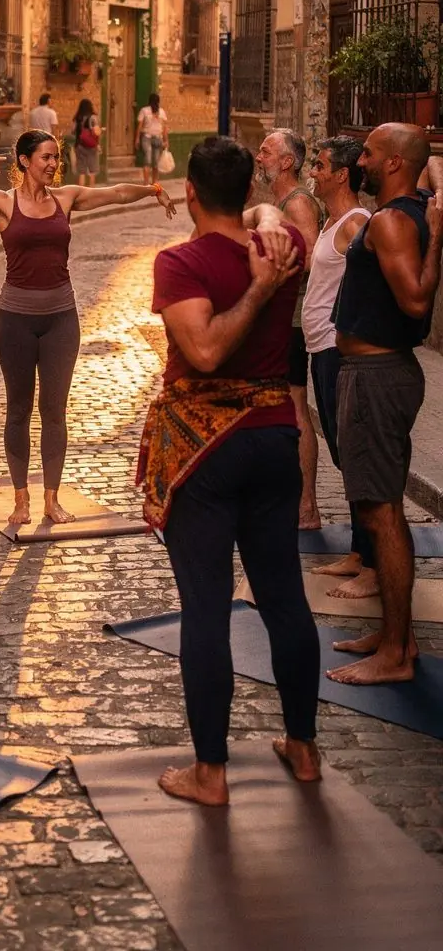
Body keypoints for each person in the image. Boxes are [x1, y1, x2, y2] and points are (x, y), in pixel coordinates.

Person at [138, 136, 320, 806]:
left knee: (207, 612)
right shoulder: (282, 246)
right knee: (283, 599)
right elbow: (284, 223)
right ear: (249, 191)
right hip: (272, 438)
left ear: (189, 192)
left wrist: (254, 292)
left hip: (205, 455)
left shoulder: (181, 262)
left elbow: (207, 350)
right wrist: (268, 238)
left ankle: (211, 773)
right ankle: (302, 747)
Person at [0, 132, 175, 528]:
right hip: (14, 321)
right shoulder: (1, 202)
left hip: (62, 319)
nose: (52, 164)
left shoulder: (66, 198)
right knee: (18, 409)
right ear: (25, 160)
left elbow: (115, 193)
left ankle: (51, 499)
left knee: (54, 411)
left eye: (56, 158)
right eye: (45, 157)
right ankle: (20, 499)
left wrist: (152, 188)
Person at [327, 124, 442, 687]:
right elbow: (431, 170)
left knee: (382, 513)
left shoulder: (395, 220)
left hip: (376, 377)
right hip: (372, 373)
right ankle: (397, 634)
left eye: (369, 153)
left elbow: (416, 299)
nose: (361, 161)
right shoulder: (409, 206)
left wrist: (438, 235)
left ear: (394, 163)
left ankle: (395, 652)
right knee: (383, 509)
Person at [302, 137, 376, 596]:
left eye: (321, 165)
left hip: (338, 351)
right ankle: (357, 551)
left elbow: (374, 286)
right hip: (320, 350)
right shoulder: (331, 222)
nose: (314, 171)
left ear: (342, 174)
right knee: (341, 455)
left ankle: (372, 565)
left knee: (356, 455)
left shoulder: (357, 223)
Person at [249, 128, 323, 529]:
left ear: (286, 162)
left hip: (293, 319)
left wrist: (268, 273)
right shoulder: (280, 201)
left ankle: (307, 506)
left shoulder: (297, 203)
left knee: (296, 407)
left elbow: (310, 258)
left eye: (266, 152)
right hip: (283, 316)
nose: (259, 158)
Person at [135, 93, 168, 186]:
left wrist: (137, 139)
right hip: (158, 137)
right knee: (156, 162)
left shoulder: (144, 111)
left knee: (147, 160)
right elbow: (165, 128)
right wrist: (166, 140)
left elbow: (140, 126)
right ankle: (155, 182)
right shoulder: (162, 112)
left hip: (147, 137)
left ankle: (146, 183)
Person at [73, 98, 102, 186]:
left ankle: (81, 193)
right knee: (92, 171)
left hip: (79, 146)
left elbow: (73, 131)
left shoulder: (77, 118)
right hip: (91, 146)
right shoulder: (92, 118)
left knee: (81, 171)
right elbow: (96, 132)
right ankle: (91, 192)